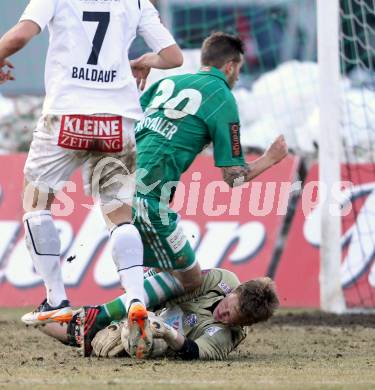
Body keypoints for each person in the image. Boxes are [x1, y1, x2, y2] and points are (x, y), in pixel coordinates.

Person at [75, 31, 288, 356]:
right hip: (148, 196)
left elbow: (128, 121)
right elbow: (234, 178)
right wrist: (270, 160)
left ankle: (107, 325)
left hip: (112, 180)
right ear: (230, 67)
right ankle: (98, 319)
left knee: (151, 277)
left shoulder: (166, 84)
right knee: (189, 278)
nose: (238, 75)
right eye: (240, 69)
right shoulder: (222, 97)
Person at [0, 0, 183, 358]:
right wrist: (144, 61)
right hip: (118, 122)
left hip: (66, 116)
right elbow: (173, 56)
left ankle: (55, 299)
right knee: (119, 215)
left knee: (36, 203)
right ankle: (135, 299)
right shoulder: (137, 2)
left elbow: (20, 35)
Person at [41, 268, 279, 360]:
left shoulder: (226, 335)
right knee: (177, 274)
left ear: (245, 323)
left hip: (165, 337)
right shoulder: (224, 280)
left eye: (231, 318)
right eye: (229, 306)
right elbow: (180, 287)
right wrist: (142, 301)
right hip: (159, 302)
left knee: (101, 341)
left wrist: (167, 333)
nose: (224, 314)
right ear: (235, 291)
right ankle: (73, 315)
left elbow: (194, 352)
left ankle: (44, 316)